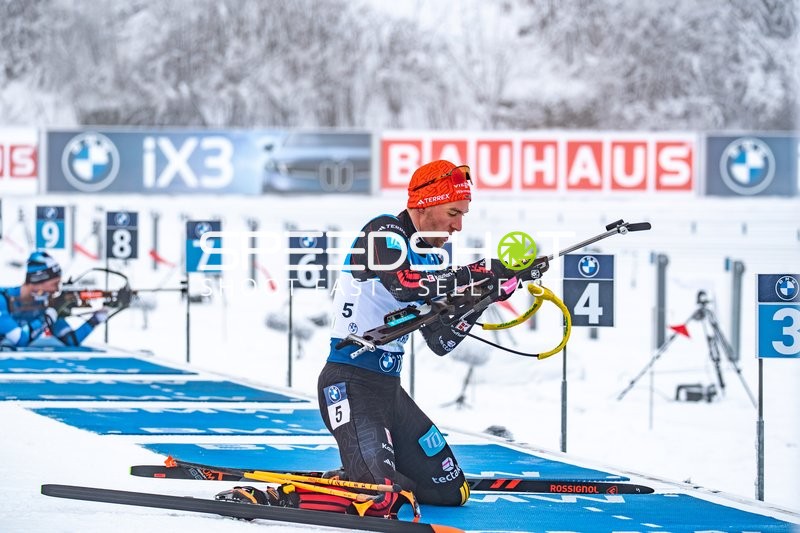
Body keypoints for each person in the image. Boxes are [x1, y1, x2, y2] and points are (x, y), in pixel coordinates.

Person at [314, 160, 519, 516]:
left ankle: (365, 470)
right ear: (425, 205)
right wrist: (477, 273)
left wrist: (485, 297)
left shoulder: (430, 258)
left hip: (388, 392)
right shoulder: (384, 231)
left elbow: (441, 341)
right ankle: (354, 480)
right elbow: (404, 285)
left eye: (463, 215)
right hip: (349, 383)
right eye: (453, 212)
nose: (458, 226)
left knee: (452, 491)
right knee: (381, 499)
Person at [0, 251, 108, 347]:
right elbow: (20, 340)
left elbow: (70, 340)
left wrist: (97, 318)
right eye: (55, 284)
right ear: (37, 280)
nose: (57, 289)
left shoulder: (44, 304)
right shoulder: (2, 300)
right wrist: (49, 316)